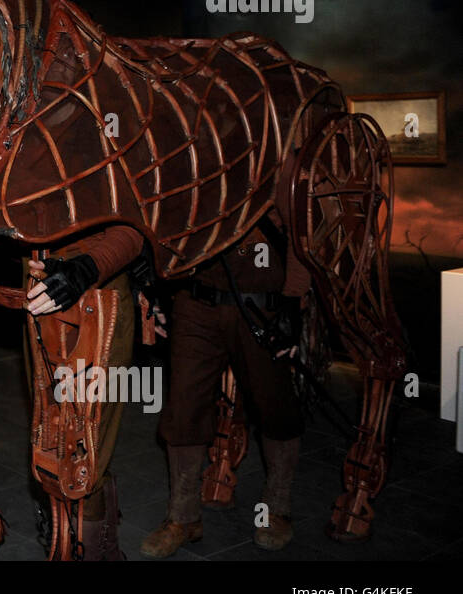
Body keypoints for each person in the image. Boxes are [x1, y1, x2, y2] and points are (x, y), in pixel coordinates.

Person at [141, 211, 308, 557]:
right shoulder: (194, 158)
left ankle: (276, 509)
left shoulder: (277, 160)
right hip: (196, 303)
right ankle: (183, 517)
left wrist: (293, 304)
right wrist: (156, 289)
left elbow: (302, 230)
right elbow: (168, 220)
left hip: (263, 304)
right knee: (182, 408)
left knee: (274, 405)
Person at [24, 224, 146, 560]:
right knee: (51, 435)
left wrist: (87, 267)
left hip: (97, 291)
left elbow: (133, 227)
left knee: (88, 442)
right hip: (39, 292)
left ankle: (93, 549)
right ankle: (86, 544)